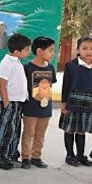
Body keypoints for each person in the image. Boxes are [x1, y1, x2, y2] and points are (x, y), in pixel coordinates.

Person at [59, 37, 92, 167]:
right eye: (84, 48)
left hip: (90, 104)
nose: (88, 51)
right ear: (78, 49)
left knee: (82, 130)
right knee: (69, 129)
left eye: (91, 48)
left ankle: (80, 155)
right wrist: (64, 103)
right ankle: (69, 155)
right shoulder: (71, 65)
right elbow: (66, 85)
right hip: (73, 102)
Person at [0, 34, 31, 170]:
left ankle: (11, 154)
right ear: (16, 52)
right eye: (26, 50)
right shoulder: (6, 63)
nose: (28, 52)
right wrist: (6, 103)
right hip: (9, 102)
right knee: (6, 130)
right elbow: (2, 84)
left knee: (15, 129)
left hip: (18, 102)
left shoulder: (16, 61)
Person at [20, 36, 57, 169]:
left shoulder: (51, 68)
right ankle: (25, 157)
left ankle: (36, 156)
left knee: (40, 134)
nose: (53, 53)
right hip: (30, 107)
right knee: (28, 133)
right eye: (51, 50)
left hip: (46, 107)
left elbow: (50, 85)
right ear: (40, 51)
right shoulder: (27, 68)